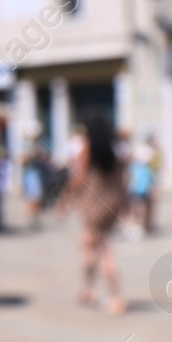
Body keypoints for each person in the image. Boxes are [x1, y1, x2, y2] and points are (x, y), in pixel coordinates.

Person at [70, 116, 128, 314]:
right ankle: (88, 289)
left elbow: (78, 177)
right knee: (90, 244)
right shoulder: (114, 151)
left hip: (93, 204)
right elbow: (122, 180)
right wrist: (125, 205)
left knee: (100, 250)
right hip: (110, 204)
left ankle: (116, 297)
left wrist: (66, 200)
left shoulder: (87, 150)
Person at [128, 131, 160, 234]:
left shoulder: (140, 150)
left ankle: (140, 224)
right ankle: (144, 225)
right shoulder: (150, 152)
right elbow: (155, 167)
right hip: (143, 182)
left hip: (140, 182)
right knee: (145, 204)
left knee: (138, 204)